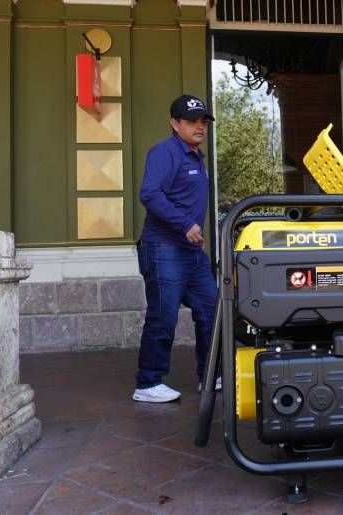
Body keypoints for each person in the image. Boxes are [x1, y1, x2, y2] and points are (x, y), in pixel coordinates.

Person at [132, 95, 220, 403]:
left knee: (212, 311)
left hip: (191, 252)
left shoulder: (197, 158)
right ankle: (148, 383)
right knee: (163, 316)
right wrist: (185, 224)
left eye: (203, 122)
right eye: (192, 121)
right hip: (163, 248)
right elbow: (150, 194)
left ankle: (210, 375)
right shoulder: (165, 152)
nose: (200, 127)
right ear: (174, 123)